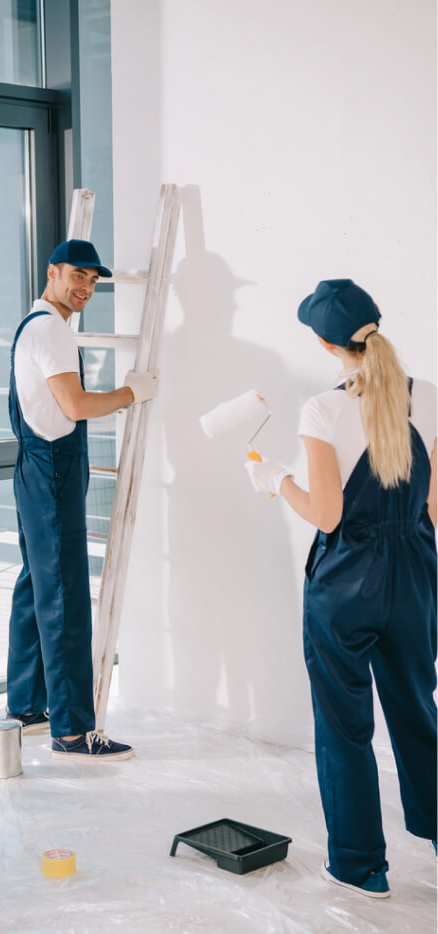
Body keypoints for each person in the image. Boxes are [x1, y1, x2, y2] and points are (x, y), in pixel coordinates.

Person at [245, 279, 437, 898]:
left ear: (327, 345)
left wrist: (273, 478)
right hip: (413, 573)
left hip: (346, 582)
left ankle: (360, 867)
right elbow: (433, 505)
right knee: (417, 710)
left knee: (344, 724)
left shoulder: (322, 410)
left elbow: (327, 515)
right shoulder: (429, 397)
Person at [6, 239, 159, 761]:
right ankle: (71, 731)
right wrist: (131, 394)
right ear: (52, 272)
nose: (86, 287)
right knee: (66, 594)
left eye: (94, 280)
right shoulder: (51, 329)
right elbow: (74, 404)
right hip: (51, 471)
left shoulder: (35, 323)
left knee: (36, 584)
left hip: (34, 467)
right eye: (78, 275)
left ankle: (27, 706)